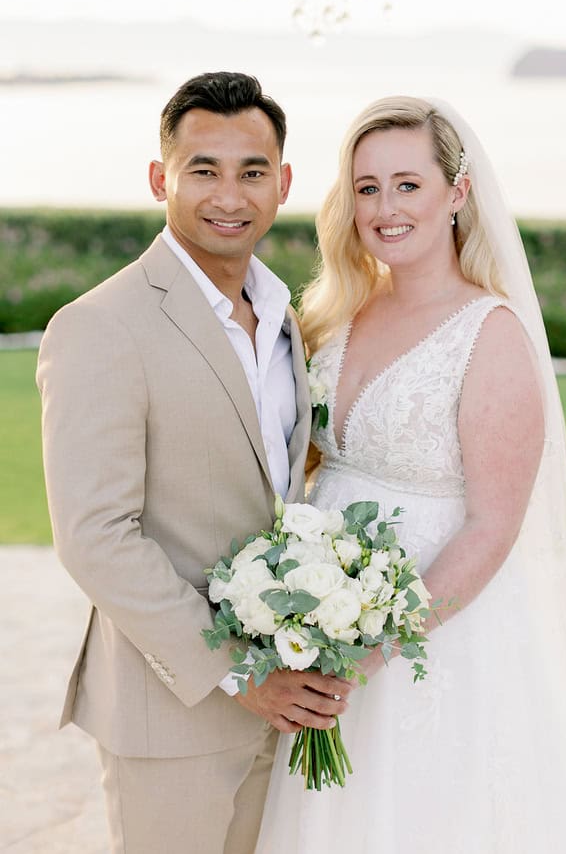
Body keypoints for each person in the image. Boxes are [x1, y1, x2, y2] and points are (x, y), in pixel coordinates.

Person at [255, 96, 566, 853]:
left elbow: (493, 526)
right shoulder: (338, 314)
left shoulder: (490, 334)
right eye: (368, 188)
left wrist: (374, 651)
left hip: (434, 645)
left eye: (408, 184)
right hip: (324, 630)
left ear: (457, 192)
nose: (386, 208)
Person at [36, 72, 351, 854]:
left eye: (252, 172)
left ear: (283, 184)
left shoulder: (284, 316)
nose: (229, 196)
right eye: (203, 170)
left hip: (283, 708)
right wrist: (242, 673)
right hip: (170, 716)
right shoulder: (99, 326)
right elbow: (95, 536)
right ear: (160, 179)